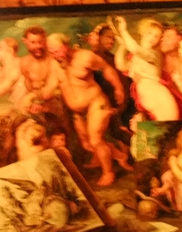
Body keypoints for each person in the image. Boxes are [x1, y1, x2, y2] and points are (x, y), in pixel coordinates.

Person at [41, 32, 130, 186]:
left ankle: (108, 173)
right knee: (86, 144)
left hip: (96, 103)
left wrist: (118, 89)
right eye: (51, 52)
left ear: (66, 45)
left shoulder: (85, 57)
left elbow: (107, 69)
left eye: (56, 51)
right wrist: (35, 97)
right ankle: (120, 155)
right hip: (78, 112)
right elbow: (49, 87)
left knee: (96, 140)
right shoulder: (55, 64)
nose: (54, 55)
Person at [111, 16, 182, 123]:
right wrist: (122, 46)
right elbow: (121, 65)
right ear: (143, 33)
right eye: (149, 33)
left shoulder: (155, 55)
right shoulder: (136, 58)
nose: (152, 38)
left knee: (165, 130)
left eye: (156, 36)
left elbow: (135, 49)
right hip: (151, 107)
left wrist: (123, 30)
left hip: (163, 104)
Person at [0, 37, 27, 108]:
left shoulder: (14, 68)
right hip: (21, 106)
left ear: (10, 50)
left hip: (27, 107)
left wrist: (0, 78)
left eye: (0, 48)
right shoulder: (7, 67)